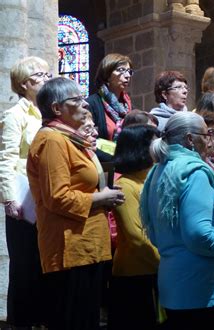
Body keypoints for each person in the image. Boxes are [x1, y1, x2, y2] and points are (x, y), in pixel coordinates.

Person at [27, 77, 126, 330]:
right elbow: (57, 197)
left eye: (84, 98)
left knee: (86, 319)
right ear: (56, 108)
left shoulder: (72, 139)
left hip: (86, 244)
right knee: (73, 319)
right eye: (77, 100)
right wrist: (102, 198)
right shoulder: (52, 141)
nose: (85, 104)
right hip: (69, 247)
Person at [140, 111, 214, 330]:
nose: (211, 139)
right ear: (190, 139)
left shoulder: (159, 170)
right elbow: (198, 234)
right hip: (203, 289)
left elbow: (153, 231)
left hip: (175, 284)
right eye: (206, 133)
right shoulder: (194, 173)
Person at [0, 56, 50, 327]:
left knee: (44, 261)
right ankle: (20, 322)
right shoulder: (15, 115)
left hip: (46, 195)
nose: (46, 79)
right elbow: (6, 158)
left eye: (47, 74)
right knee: (24, 264)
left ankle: (41, 318)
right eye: (39, 76)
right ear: (24, 84)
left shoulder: (49, 113)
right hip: (23, 196)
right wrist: (9, 198)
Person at [108, 125, 161, 330]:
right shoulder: (126, 185)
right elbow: (137, 237)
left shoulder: (148, 181)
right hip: (135, 275)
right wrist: (166, 262)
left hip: (152, 270)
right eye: (154, 144)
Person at [87, 53, 133, 141]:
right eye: (121, 70)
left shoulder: (128, 106)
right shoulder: (91, 104)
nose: (127, 76)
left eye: (129, 71)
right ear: (107, 75)